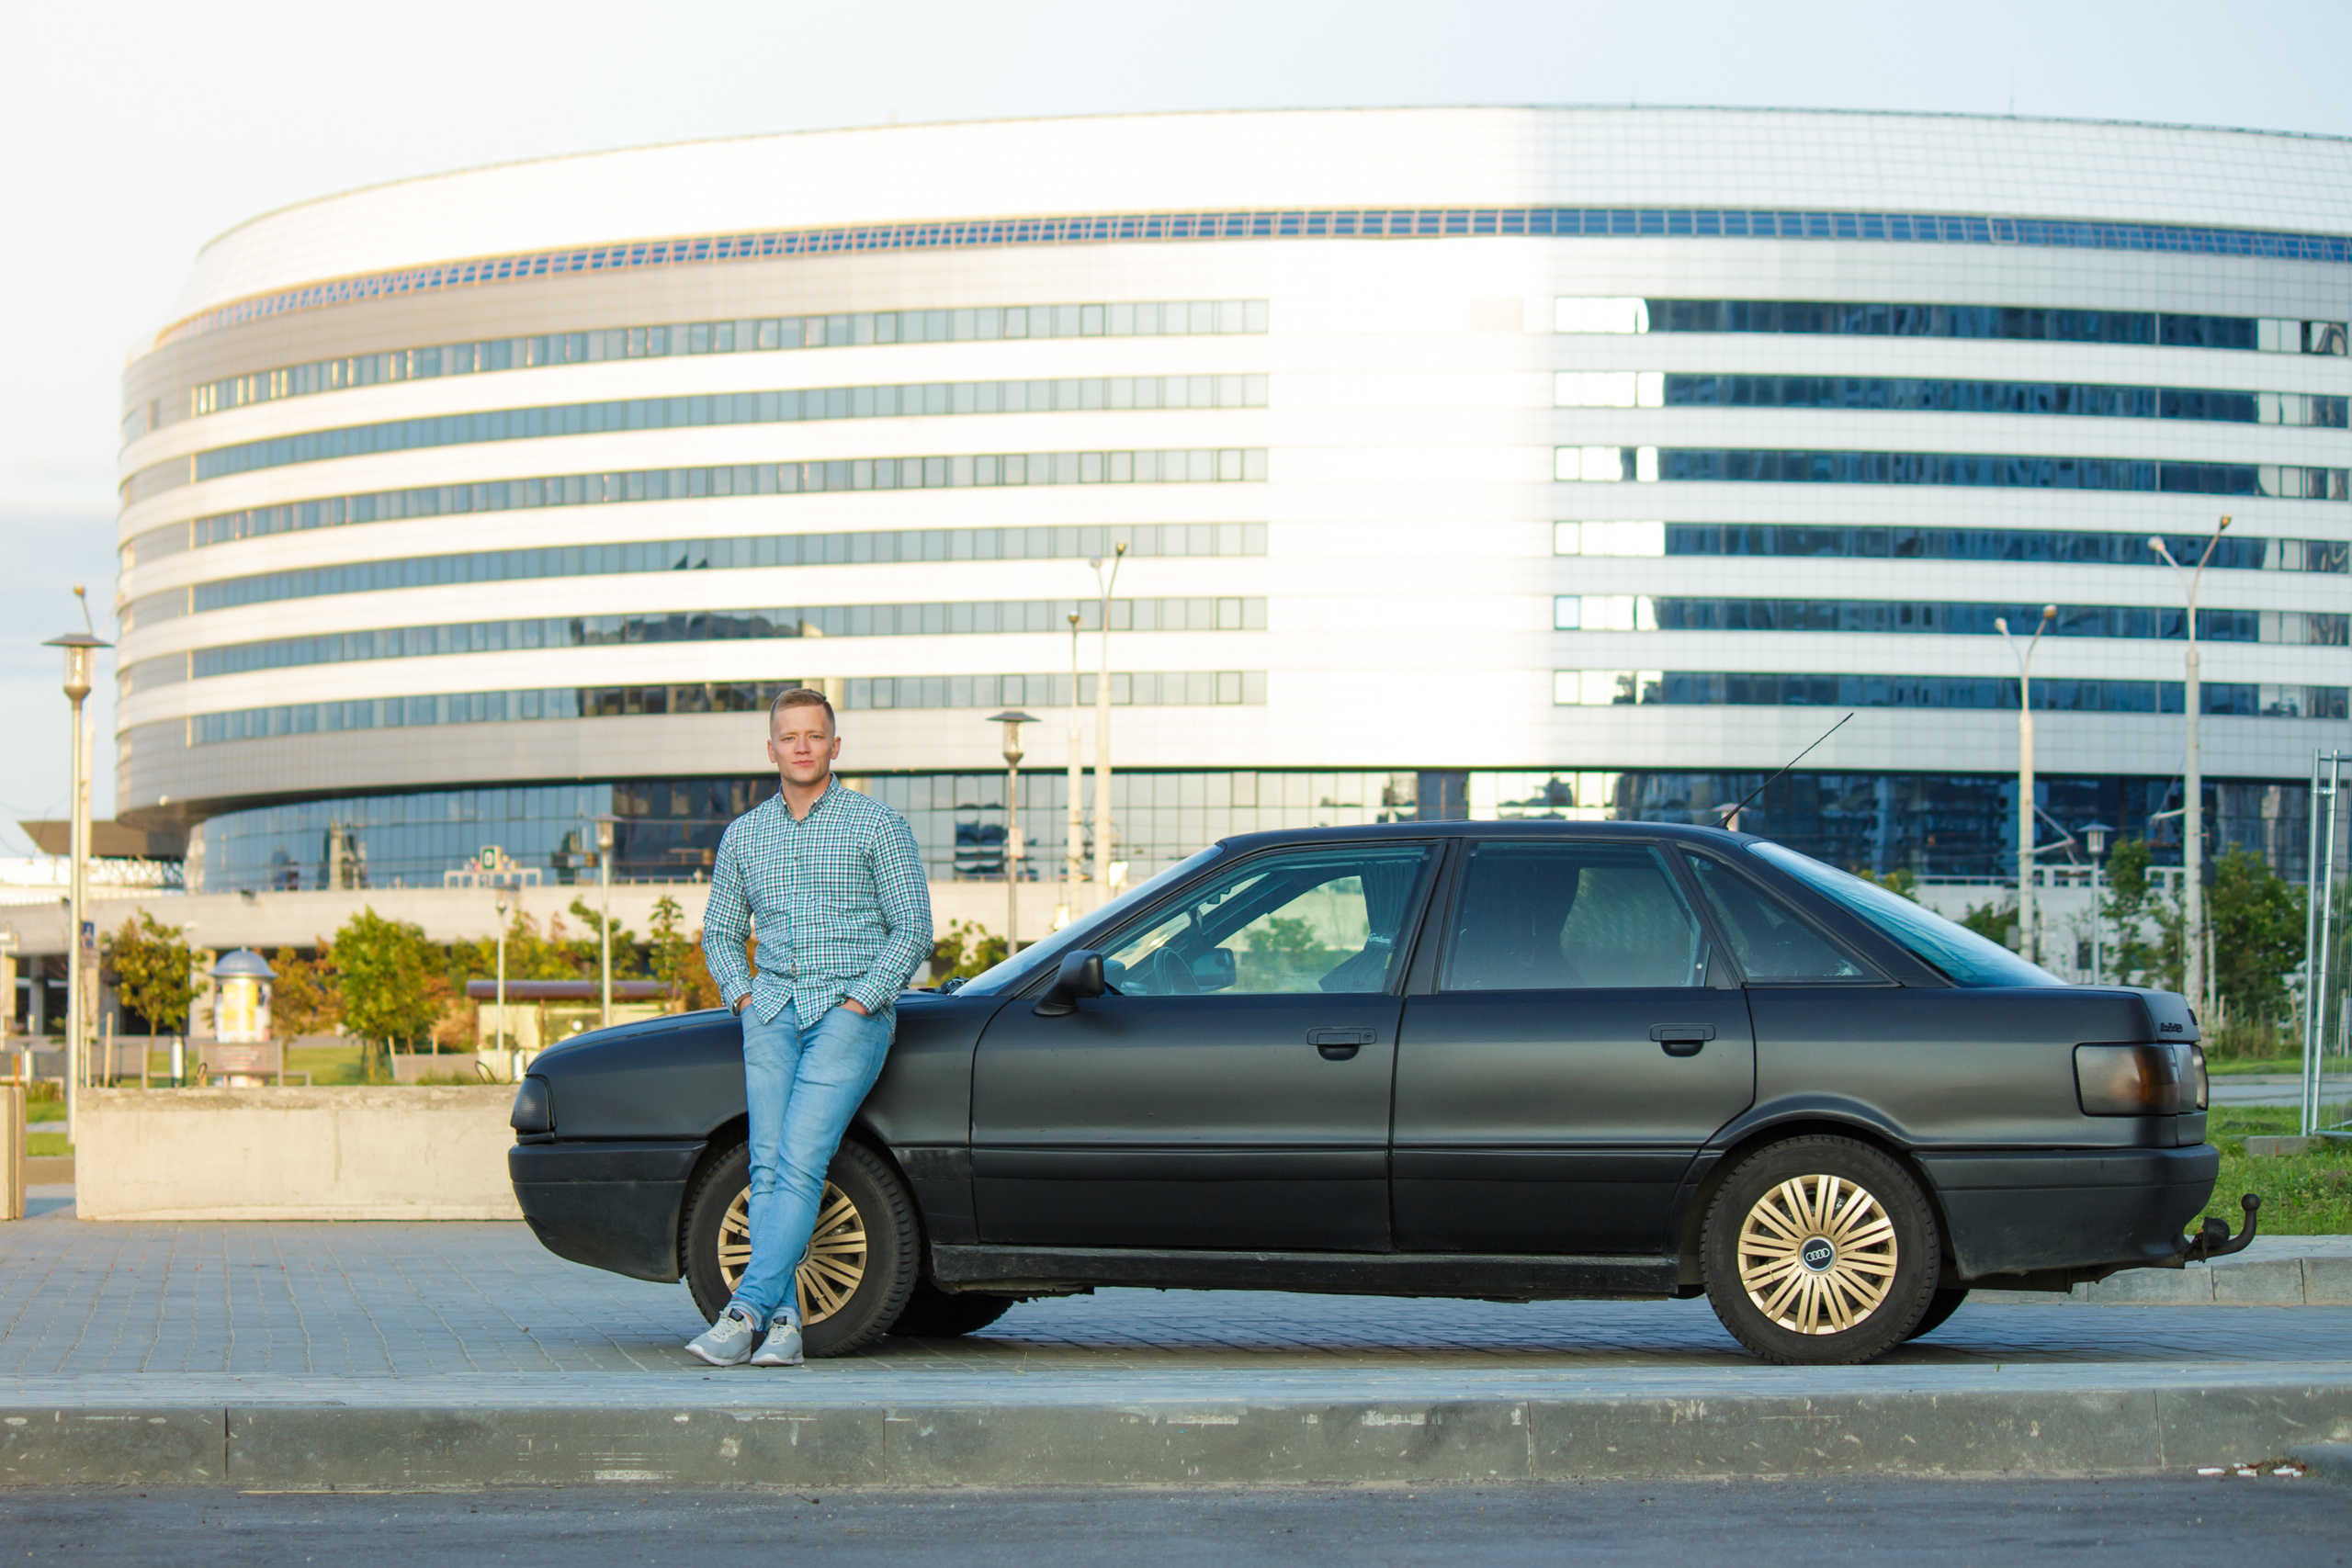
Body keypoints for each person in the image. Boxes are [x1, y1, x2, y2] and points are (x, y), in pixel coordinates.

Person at [686, 686, 933, 1367]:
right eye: (789, 736)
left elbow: (912, 927)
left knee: (797, 1161)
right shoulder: (745, 834)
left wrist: (863, 1001)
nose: (802, 746)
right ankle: (787, 1328)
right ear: (771, 749)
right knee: (765, 1168)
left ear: (834, 746)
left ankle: (742, 1312)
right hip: (769, 1013)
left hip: (846, 1014)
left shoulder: (876, 825)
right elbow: (720, 930)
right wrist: (742, 998)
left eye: (814, 735)